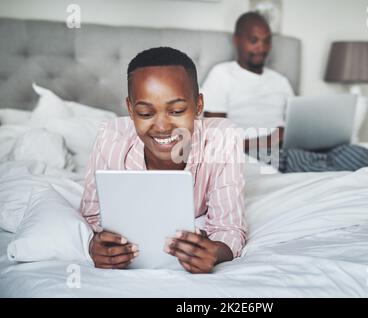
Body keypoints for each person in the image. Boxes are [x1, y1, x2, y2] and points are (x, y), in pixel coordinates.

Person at [79, 47, 247, 273]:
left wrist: (215, 252)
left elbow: (229, 228)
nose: (161, 127)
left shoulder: (223, 138)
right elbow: (91, 217)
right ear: (130, 109)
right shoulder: (110, 138)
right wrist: (94, 246)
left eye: (177, 111)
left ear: (198, 105)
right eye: (146, 114)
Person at [202, 12, 293, 150]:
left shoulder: (281, 81)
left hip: (289, 149)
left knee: (337, 152)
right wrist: (270, 141)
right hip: (251, 153)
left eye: (266, 41)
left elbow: (297, 127)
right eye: (254, 40)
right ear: (236, 40)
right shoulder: (221, 74)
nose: (261, 48)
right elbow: (215, 139)